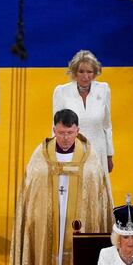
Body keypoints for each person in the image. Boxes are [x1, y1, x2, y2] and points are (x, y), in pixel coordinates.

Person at [6, 109, 112, 265]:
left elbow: (99, 196)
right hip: (48, 228)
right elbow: (30, 191)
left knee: (76, 264)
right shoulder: (41, 155)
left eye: (70, 133)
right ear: (54, 130)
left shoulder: (89, 158)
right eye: (61, 133)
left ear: (78, 131)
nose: (65, 138)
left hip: (78, 228)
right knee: (50, 261)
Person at [52, 50, 114, 178]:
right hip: (72, 151)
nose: (85, 76)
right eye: (81, 71)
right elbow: (56, 127)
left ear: (95, 73)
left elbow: (106, 125)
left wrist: (109, 154)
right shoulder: (62, 92)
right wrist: (55, 154)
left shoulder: (103, 90)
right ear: (74, 72)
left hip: (98, 151)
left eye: (89, 72)